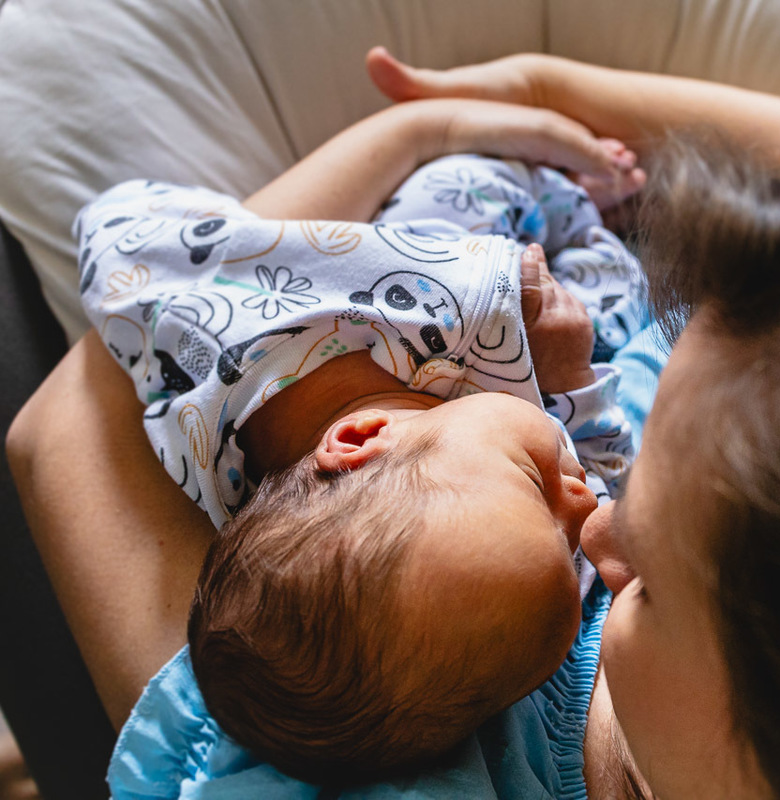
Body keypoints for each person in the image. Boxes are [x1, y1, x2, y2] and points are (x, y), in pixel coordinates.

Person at [12, 50, 780, 799]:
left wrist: (429, 134)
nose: (603, 524)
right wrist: (537, 95)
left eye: (654, 586)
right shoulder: (750, 409)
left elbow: (65, 431)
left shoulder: (346, 739)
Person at [76, 105, 651, 782]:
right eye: (568, 547)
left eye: (535, 483)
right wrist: (575, 381)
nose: (586, 511)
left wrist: (560, 179)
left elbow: (117, 240)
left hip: (475, 212)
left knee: (458, 188)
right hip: (595, 313)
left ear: (359, 438)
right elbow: (609, 464)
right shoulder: (485, 552)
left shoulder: (253, 351)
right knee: (615, 297)